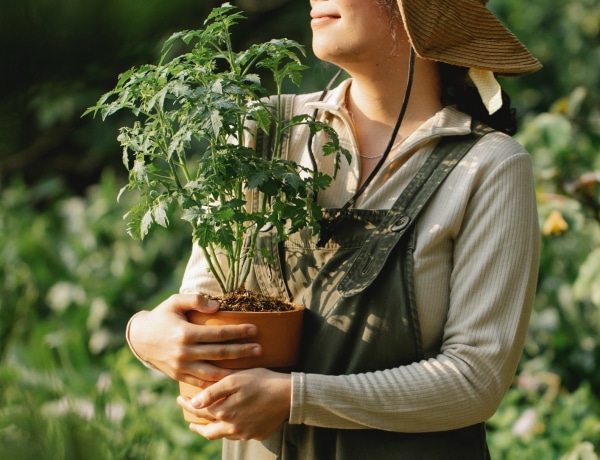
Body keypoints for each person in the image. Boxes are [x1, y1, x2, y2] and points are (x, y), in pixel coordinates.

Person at [126, 0, 541, 458]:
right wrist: (148, 334)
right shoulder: (262, 130)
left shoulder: (488, 166)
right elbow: (205, 303)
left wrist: (294, 398)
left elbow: (474, 379)